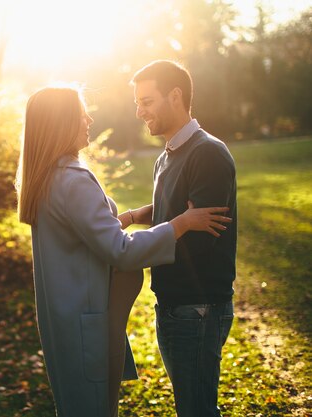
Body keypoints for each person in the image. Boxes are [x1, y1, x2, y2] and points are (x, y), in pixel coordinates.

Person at [14, 84, 231, 417]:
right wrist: (182, 223)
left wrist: (130, 217)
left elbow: (83, 232)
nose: (88, 118)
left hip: (69, 316)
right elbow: (121, 252)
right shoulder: (72, 181)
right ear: (62, 122)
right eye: (80, 112)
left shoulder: (49, 177)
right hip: (89, 322)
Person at [131, 60, 237, 417]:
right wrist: (132, 218)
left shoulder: (207, 153)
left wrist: (131, 253)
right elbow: (171, 209)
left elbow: (199, 240)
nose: (139, 111)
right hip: (174, 304)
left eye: (147, 101)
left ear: (175, 96)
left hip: (198, 307)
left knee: (196, 411)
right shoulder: (168, 154)